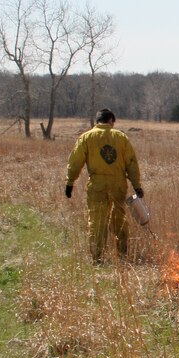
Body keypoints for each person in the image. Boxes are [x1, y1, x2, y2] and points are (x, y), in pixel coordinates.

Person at [64, 108, 143, 262]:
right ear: (111, 121)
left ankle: (97, 258)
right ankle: (122, 255)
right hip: (118, 185)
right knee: (119, 220)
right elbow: (132, 163)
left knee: (97, 221)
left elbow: (75, 162)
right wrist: (137, 186)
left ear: (97, 121)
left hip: (97, 186)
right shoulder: (121, 137)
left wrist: (69, 182)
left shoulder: (86, 137)